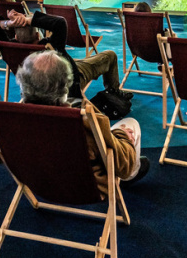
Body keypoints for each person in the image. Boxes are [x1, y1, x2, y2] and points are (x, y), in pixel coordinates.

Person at [16, 50, 149, 191]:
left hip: (36, 179)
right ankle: (130, 177)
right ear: (65, 85)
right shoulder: (84, 119)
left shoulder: (11, 117)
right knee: (130, 125)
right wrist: (123, 136)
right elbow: (122, 164)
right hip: (85, 187)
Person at [0, 8, 132, 104]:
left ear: (15, 36)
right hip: (67, 78)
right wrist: (27, 19)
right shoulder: (50, 47)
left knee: (82, 61)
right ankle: (113, 94)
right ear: (38, 35)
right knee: (110, 55)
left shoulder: (10, 48)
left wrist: (9, 23)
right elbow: (60, 23)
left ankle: (113, 92)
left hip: (34, 86)